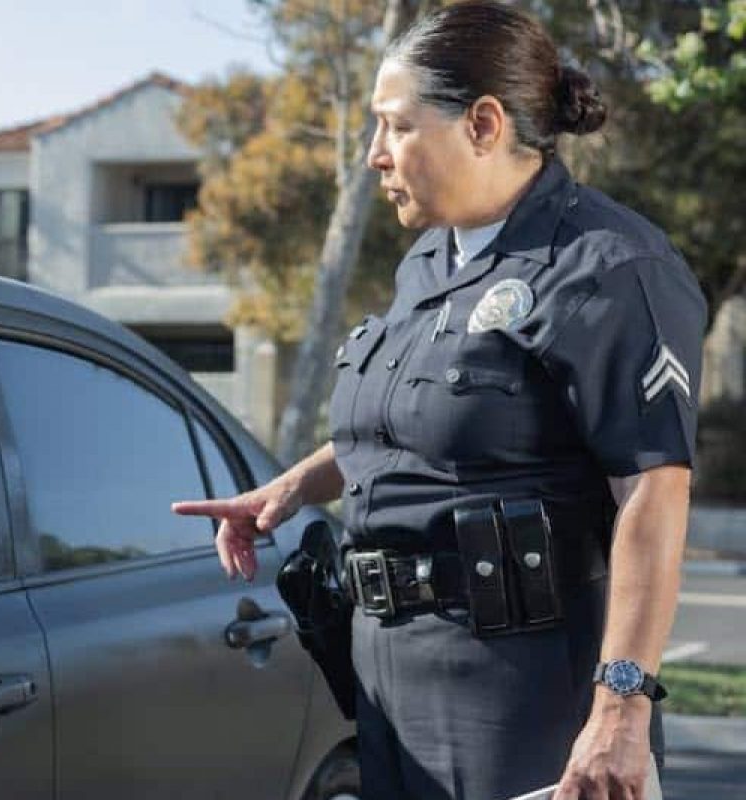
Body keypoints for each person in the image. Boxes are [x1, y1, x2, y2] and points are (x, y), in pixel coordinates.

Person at [174, 2, 704, 798]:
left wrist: (621, 707)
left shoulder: (610, 266)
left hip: (525, 701)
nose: (373, 157)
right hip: (389, 687)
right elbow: (417, 425)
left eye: (396, 128)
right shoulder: (428, 262)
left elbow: (653, 491)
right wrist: (292, 488)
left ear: (483, 124)